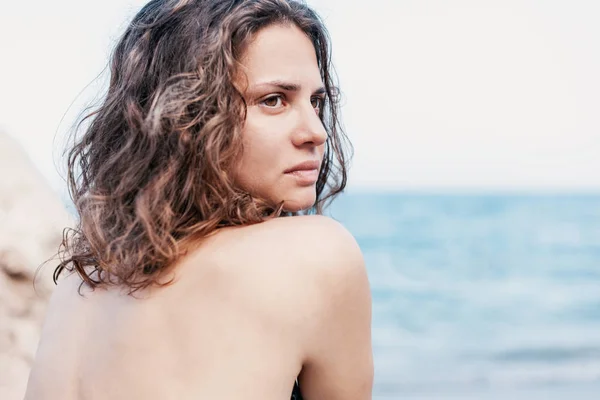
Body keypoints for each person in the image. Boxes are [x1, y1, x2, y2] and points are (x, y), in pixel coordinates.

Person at [25, 0, 373, 399]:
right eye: (273, 100)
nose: (316, 131)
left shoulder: (80, 282)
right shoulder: (317, 253)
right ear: (186, 111)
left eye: (315, 102)